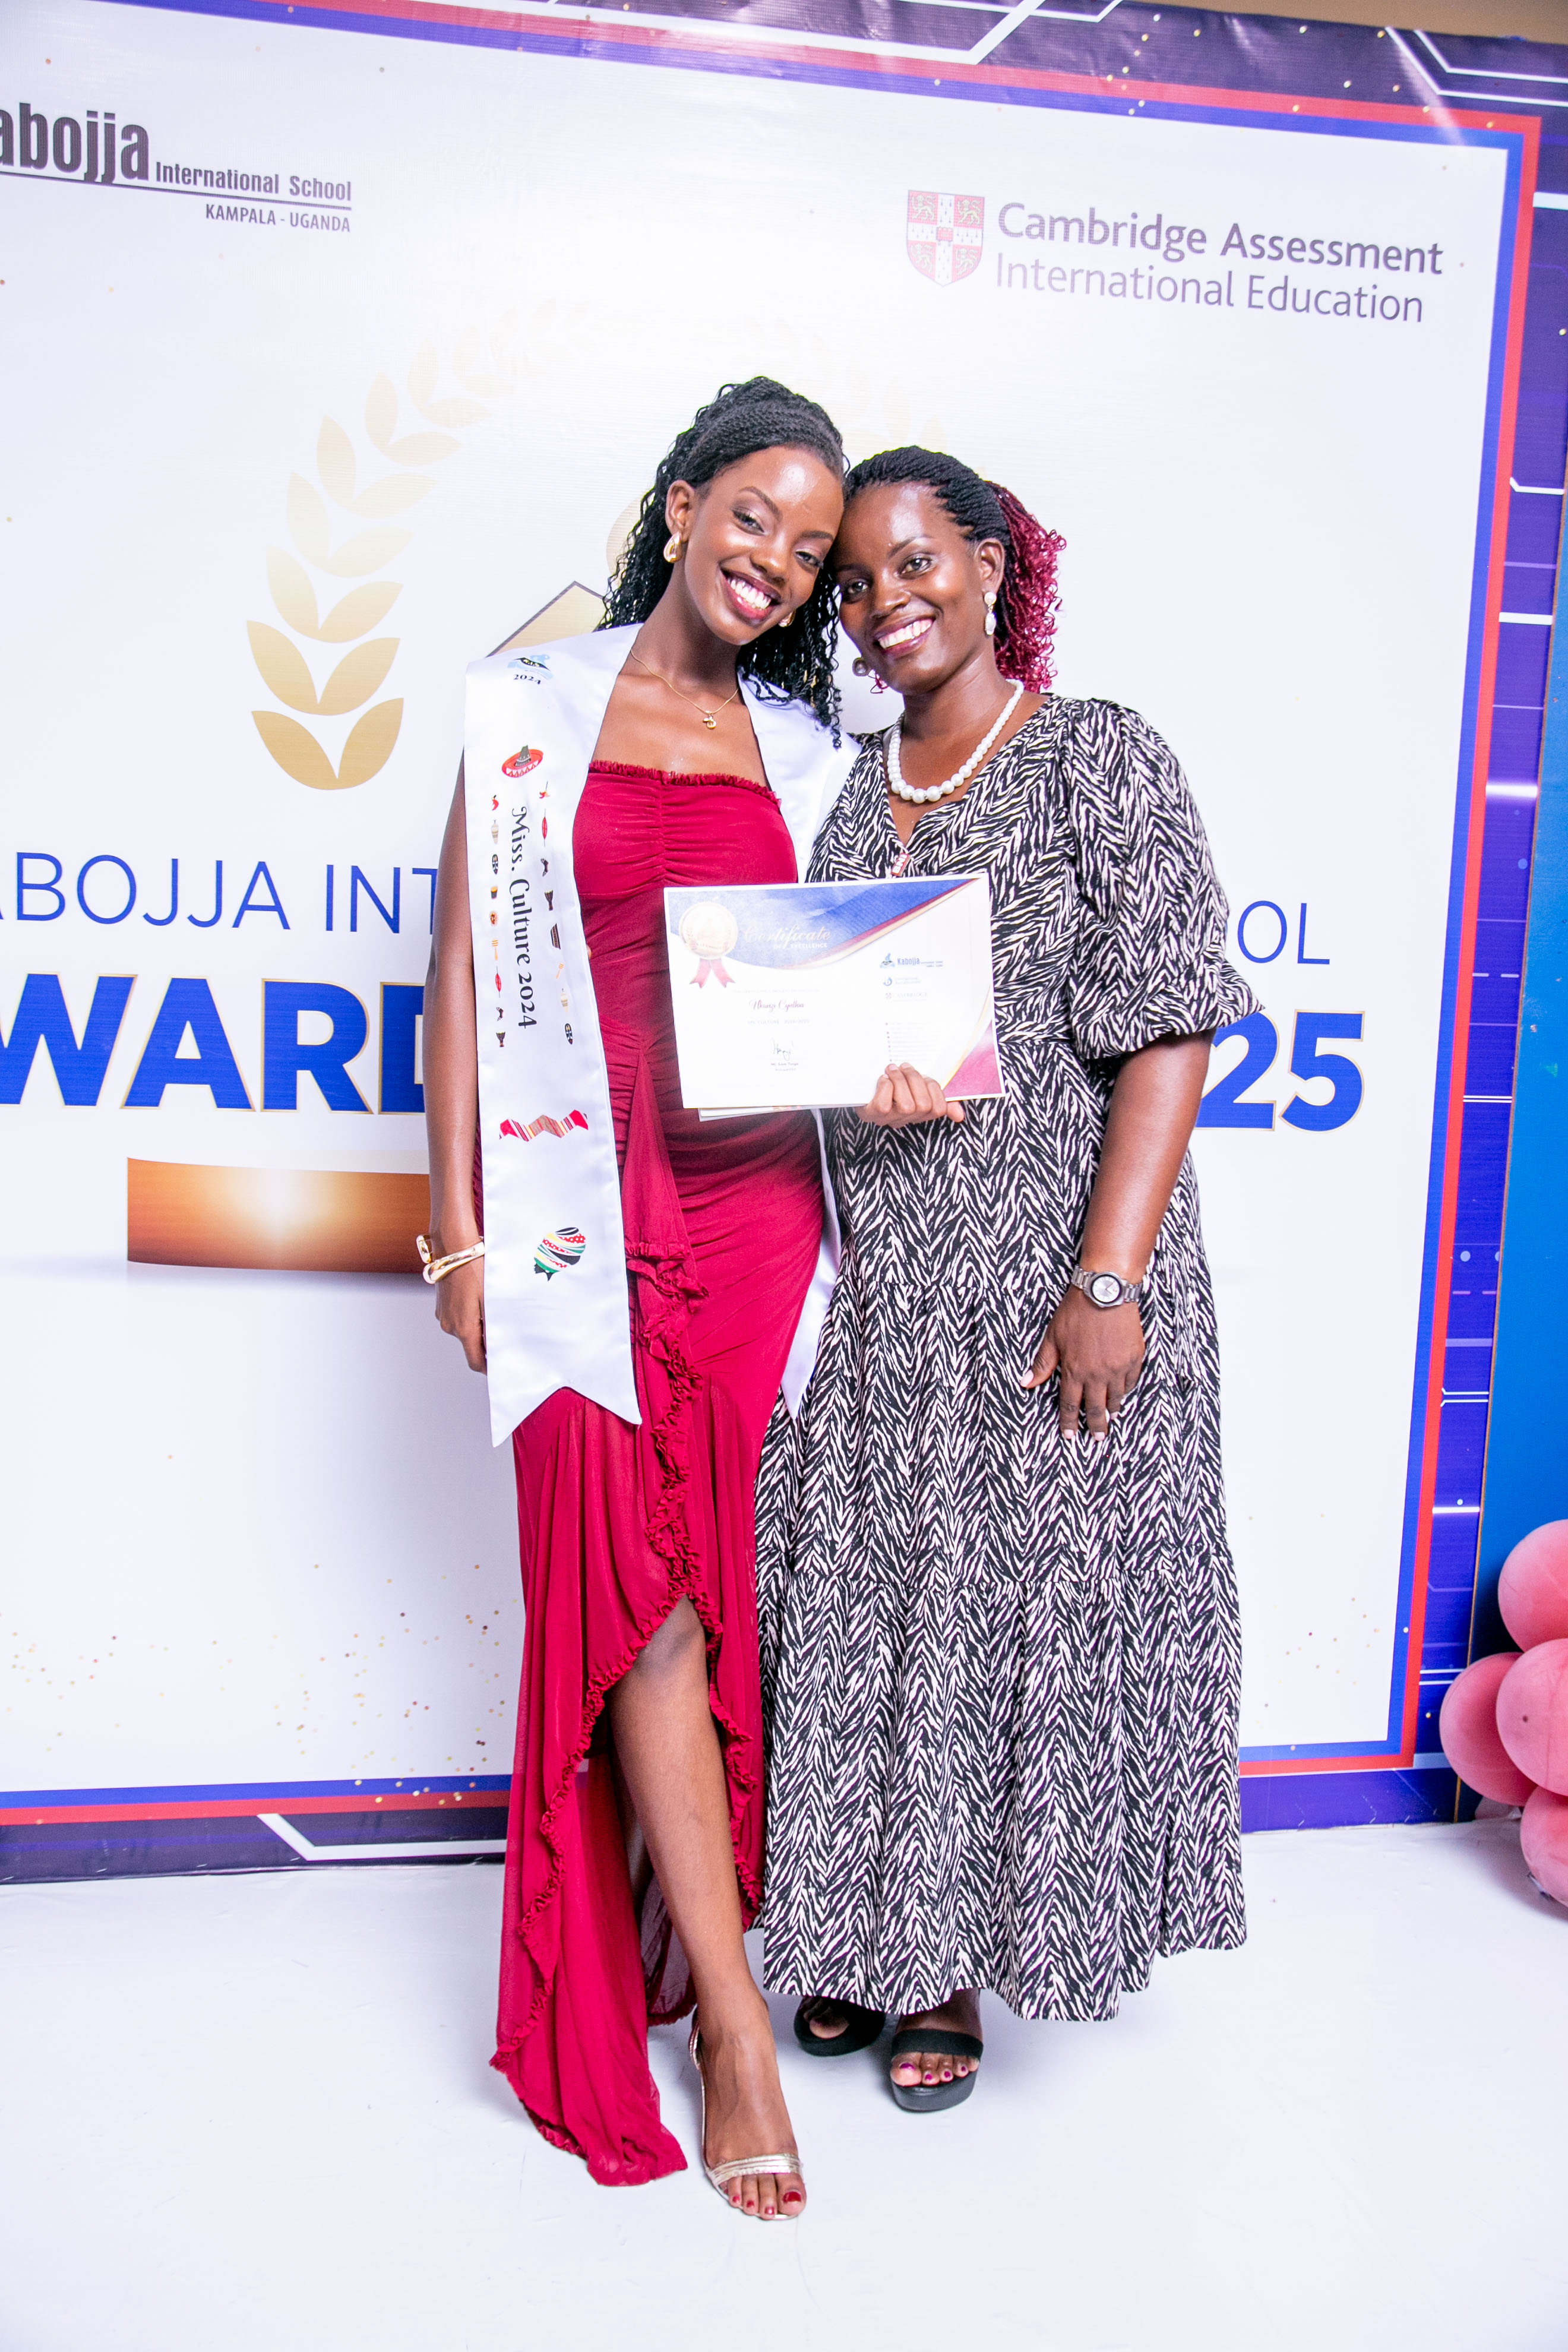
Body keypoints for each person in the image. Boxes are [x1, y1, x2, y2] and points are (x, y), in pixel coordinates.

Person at [758, 447, 1258, 2110]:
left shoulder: (1097, 755)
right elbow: (811, 1028)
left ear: (990, 565)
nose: (883, 604)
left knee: (1005, 1616)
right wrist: (850, 1077)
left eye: (915, 564)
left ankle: (954, 1973)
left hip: (1053, 1276)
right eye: (854, 584)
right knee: (875, 1609)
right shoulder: (845, 795)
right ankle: (873, 1931)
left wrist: (1107, 1283)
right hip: (886, 1283)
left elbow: (1170, 1031)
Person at [421, 380, 853, 2214]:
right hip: (567, 1207)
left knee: (708, 1592)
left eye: (811, 549)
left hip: (753, 1210)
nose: (776, 563)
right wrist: (455, 1234)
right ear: (682, 506)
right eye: (753, 517)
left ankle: (721, 1984)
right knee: (638, 1600)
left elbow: (848, 991)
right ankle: (734, 2025)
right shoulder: (528, 704)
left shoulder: (811, 755)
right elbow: (460, 975)